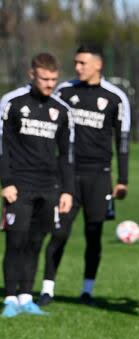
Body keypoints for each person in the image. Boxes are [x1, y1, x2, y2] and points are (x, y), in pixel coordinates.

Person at [39, 44, 131, 307]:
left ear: (98, 65)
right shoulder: (64, 90)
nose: (77, 67)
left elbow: (122, 141)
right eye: (76, 62)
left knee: (94, 234)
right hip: (67, 175)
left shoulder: (115, 97)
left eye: (83, 63)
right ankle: (47, 289)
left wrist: (122, 179)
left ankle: (87, 291)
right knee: (59, 232)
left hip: (99, 177)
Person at [1, 53, 74, 317]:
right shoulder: (11, 103)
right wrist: (6, 182)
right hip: (19, 185)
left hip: (49, 187)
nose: (49, 84)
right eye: (44, 78)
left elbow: (66, 155)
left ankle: (26, 296)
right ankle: (9, 297)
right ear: (32, 75)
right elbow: (2, 148)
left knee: (35, 242)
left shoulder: (62, 111)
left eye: (54, 79)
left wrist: (67, 190)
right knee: (16, 240)